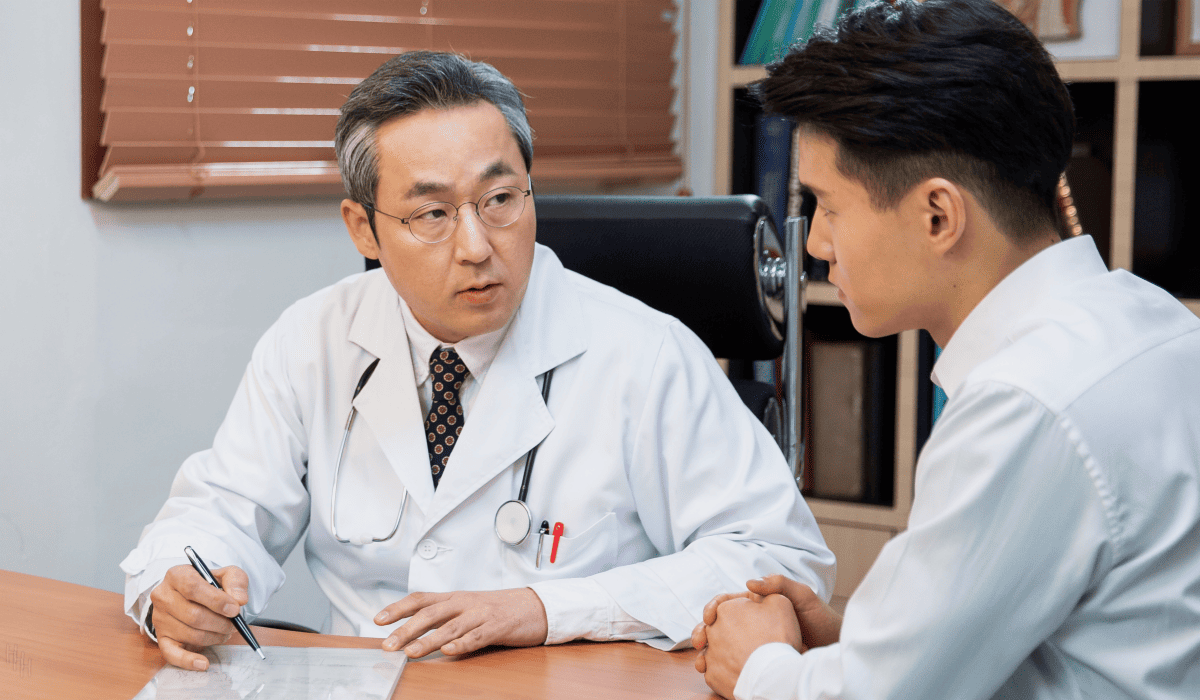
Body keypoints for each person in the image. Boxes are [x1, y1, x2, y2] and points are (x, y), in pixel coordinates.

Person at [121, 50, 835, 672]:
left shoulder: (646, 354)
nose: (476, 246)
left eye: (499, 200)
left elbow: (776, 560)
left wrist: (545, 609)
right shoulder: (313, 341)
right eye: (432, 214)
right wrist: (179, 586)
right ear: (363, 228)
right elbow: (220, 511)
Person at [691, 1, 1200, 698]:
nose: (816, 246)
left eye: (829, 207)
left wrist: (758, 664)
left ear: (938, 215)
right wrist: (855, 640)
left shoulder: (1023, 405)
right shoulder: (1152, 321)